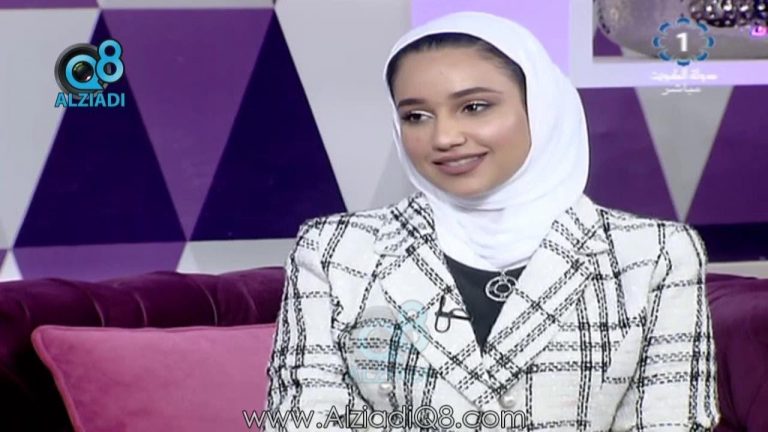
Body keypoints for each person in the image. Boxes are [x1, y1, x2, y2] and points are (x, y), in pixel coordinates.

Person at [265, 11, 719, 432]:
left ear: (538, 106)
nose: (444, 137)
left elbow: (670, 421)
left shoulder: (654, 254)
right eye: (416, 116)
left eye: (475, 107)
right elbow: (302, 420)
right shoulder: (335, 250)